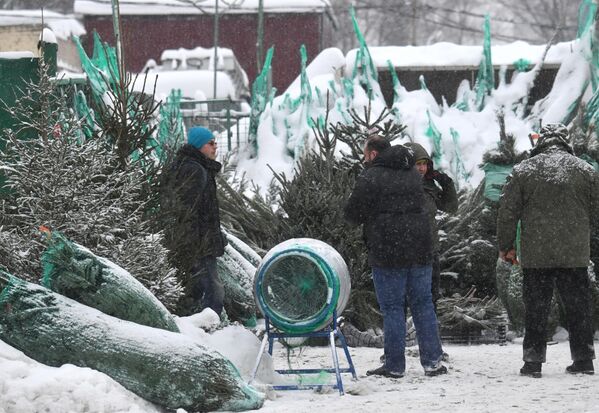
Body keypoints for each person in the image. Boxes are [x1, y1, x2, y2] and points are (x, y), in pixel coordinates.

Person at [497, 123, 599, 378]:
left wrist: (505, 247)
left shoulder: (523, 171)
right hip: (574, 254)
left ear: (540, 142)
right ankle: (584, 360)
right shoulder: (586, 171)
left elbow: (507, 213)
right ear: (566, 141)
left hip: (537, 255)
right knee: (578, 308)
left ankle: (533, 363)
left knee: (536, 309)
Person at [344, 135, 447, 378]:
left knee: (392, 308)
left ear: (371, 154)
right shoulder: (412, 173)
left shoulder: (371, 176)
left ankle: (394, 365)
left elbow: (352, 214)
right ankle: (433, 361)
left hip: (388, 250)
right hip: (421, 247)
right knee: (423, 304)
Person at [162, 126, 226, 316]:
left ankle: (201, 323)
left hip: (200, 239)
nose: (215, 147)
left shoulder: (198, 167)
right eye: (210, 143)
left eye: (216, 143)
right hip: (198, 242)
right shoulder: (194, 170)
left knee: (201, 285)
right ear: (199, 146)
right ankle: (208, 326)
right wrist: (198, 241)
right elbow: (188, 210)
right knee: (213, 289)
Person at [404, 142, 458, 307]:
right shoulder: (400, 187)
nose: (421, 168)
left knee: (431, 297)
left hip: (430, 250)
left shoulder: (429, 187)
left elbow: (450, 207)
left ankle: (429, 331)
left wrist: (446, 183)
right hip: (408, 252)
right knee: (410, 298)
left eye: (424, 164)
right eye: (417, 164)